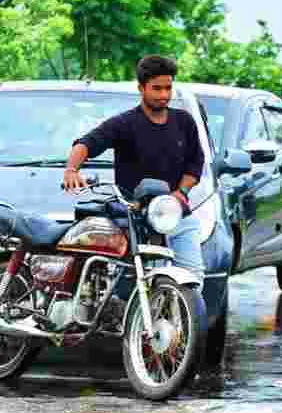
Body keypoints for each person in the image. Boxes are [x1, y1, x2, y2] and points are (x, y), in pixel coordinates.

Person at [63, 54, 206, 286]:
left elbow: (195, 163)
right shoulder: (124, 124)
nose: (163, 95)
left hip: (176, 213)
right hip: (136, 217)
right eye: (156, 88)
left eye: (168, 88)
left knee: (193, 278)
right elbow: (86, 144)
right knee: (138, 282)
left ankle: (182, 322)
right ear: (141, 88)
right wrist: (71, 170)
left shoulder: (184, 121)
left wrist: (181, 193)